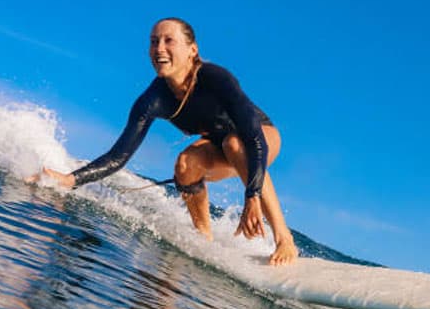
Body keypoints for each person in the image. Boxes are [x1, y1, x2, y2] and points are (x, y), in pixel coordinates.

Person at [31, 17, 298, 266]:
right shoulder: (154, 99)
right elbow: (118, 156)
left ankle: (284, 239)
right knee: (185, 165)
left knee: (234, 144)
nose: (159, 48)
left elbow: (253, 137)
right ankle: (204, 239)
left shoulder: (216, 79)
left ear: (192, 50)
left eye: (169, 40)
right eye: (153, 41)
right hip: (218, 146)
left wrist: (251, 196)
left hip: (260, 137)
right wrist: (70, 180)